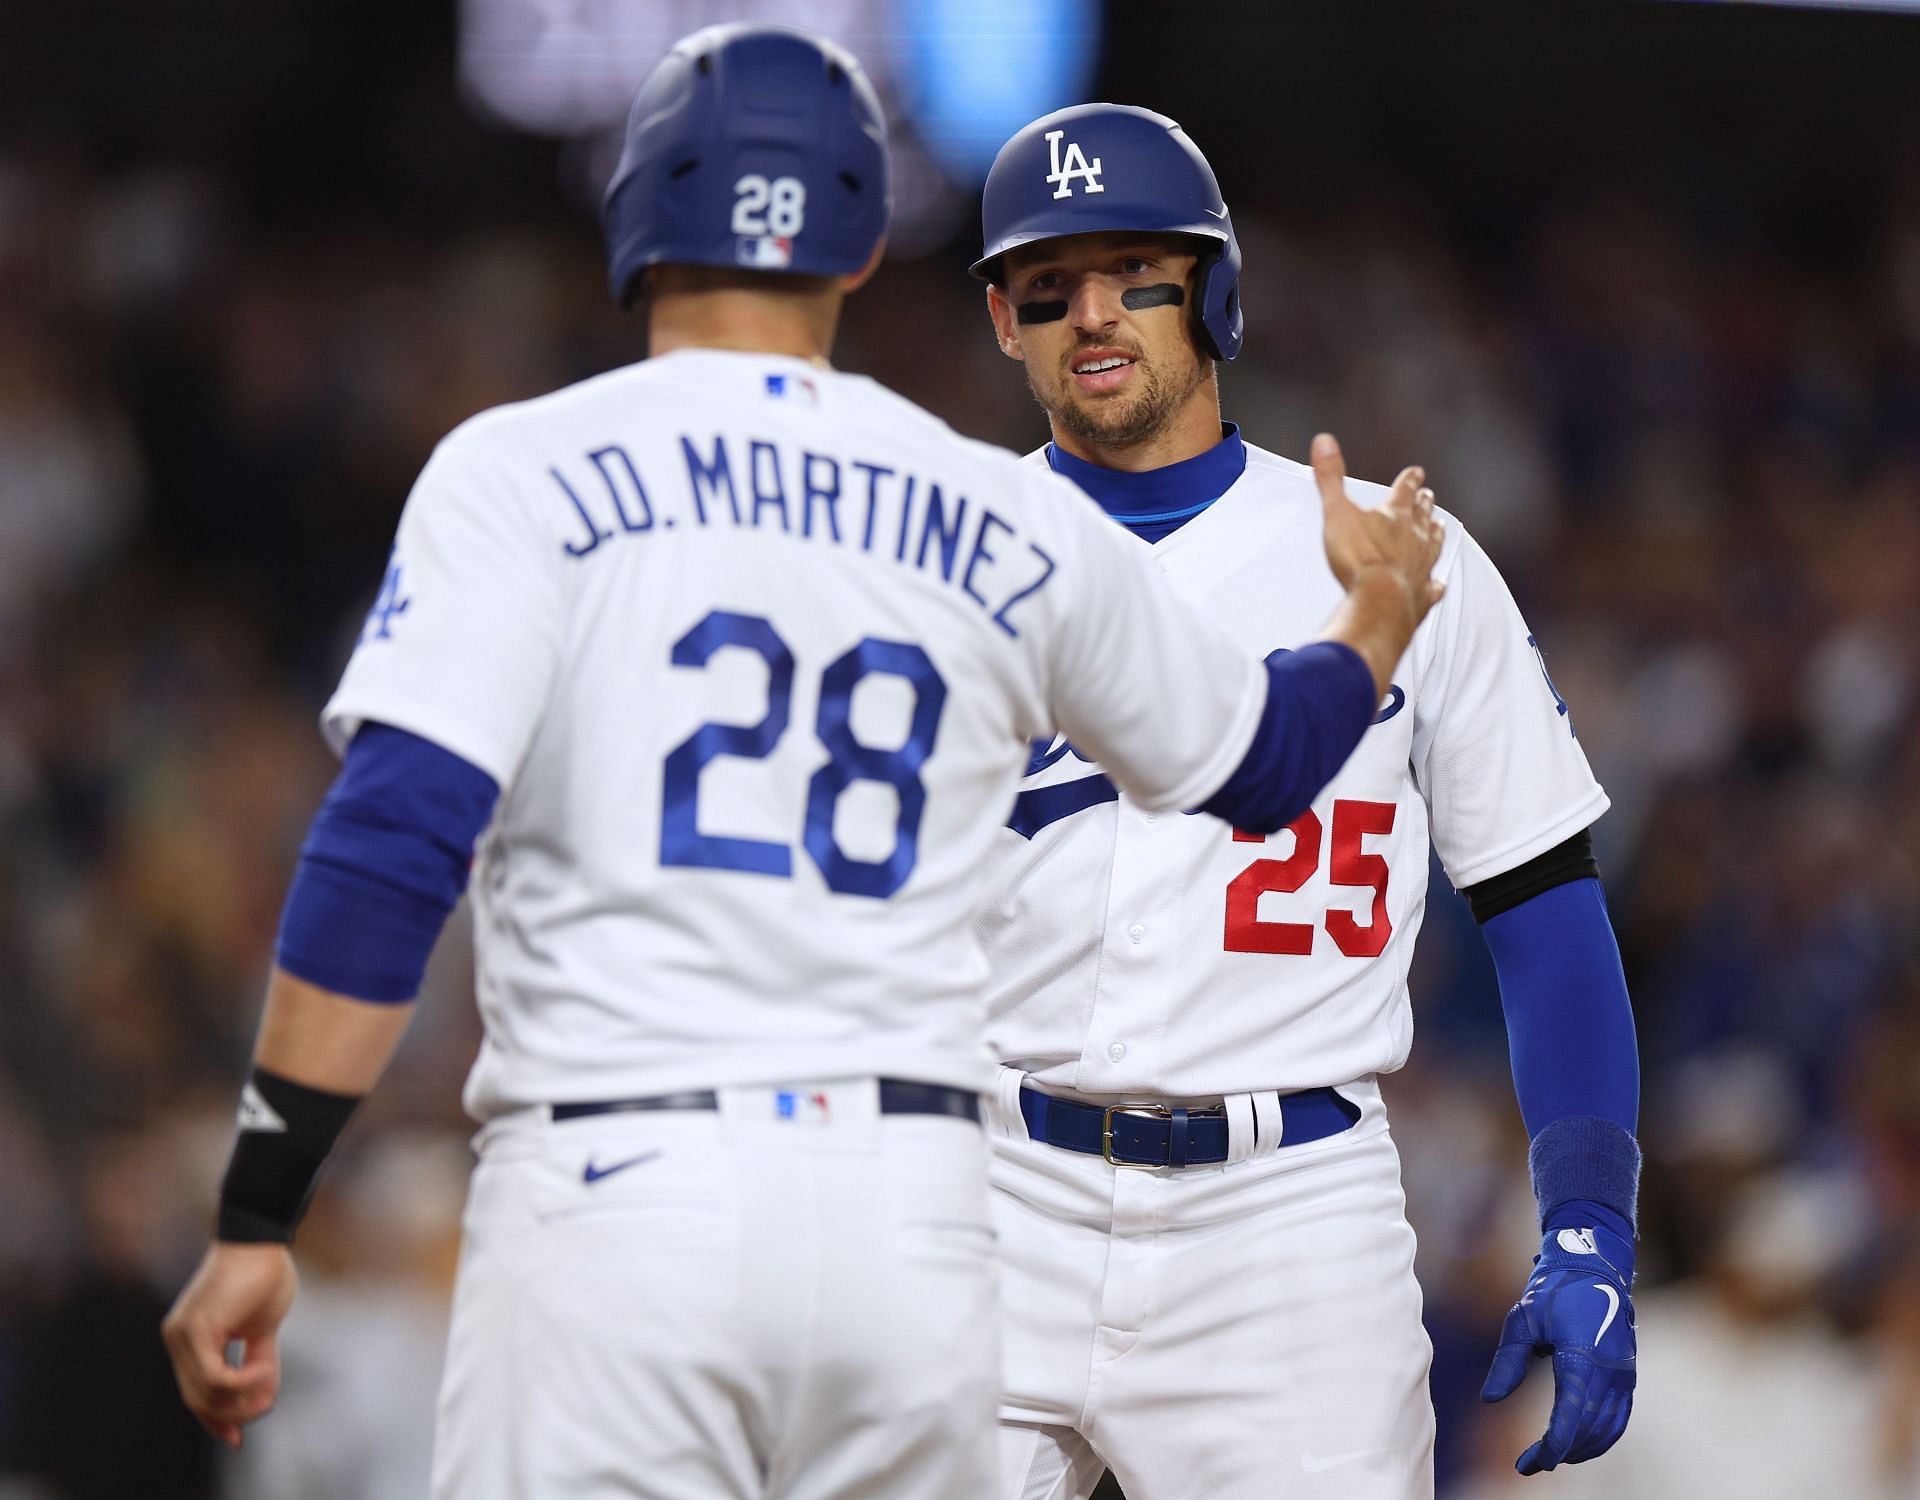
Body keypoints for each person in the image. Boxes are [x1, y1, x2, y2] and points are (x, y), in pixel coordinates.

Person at [159, 33, 1447, 1500]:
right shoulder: (1000, 513)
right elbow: (1267, 763)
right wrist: (1376, 617)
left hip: (622, 1193)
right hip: (910, 1227)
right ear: (857, 251)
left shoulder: (523, 471)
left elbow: (392, 848)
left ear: (632, 223)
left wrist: (263, 1209)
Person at [968, 104, 1641, 1499]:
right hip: (985, 1184)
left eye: (1133, 273)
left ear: (1210, 289)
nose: (1092, 315)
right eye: (1049, 285)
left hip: (1286, 1218)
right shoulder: (942, 551)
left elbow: (1542, 904)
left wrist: (1588, 1222)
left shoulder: (1401, 552)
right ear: (1002, 319)